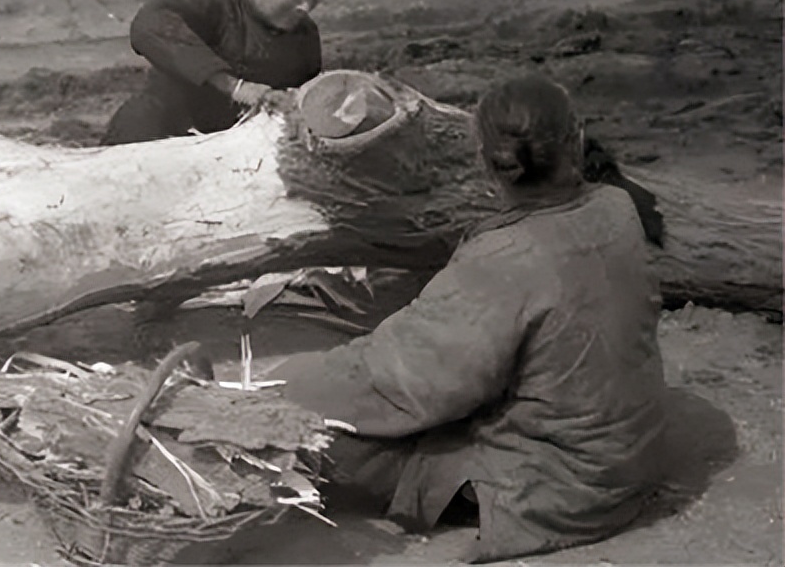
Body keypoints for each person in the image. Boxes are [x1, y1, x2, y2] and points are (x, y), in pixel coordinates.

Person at [267, 75, 668, 563]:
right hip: (631, 456)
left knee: (321, 437)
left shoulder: (507, 256)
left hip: (563, 487)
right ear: (577, 140)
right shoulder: (617, 207)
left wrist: (277, 388)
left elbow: (411, 380)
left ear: (485, 160)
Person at [101, 0, 338, 145]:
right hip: (159, 137)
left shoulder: (305, 39)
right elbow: (149, 25)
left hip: (235, 155)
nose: (307, 6)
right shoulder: (208, 3)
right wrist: (236, 87)